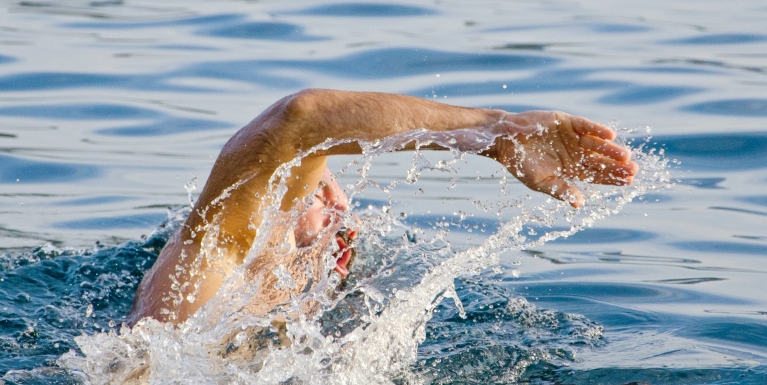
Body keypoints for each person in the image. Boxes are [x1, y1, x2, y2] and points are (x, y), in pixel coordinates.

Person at [128, 89, 638, 325]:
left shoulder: (274, 326)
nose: (333, 198)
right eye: (314, 182)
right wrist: (494, 131)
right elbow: (300, 121)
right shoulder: (209, 265)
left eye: (332, 188)